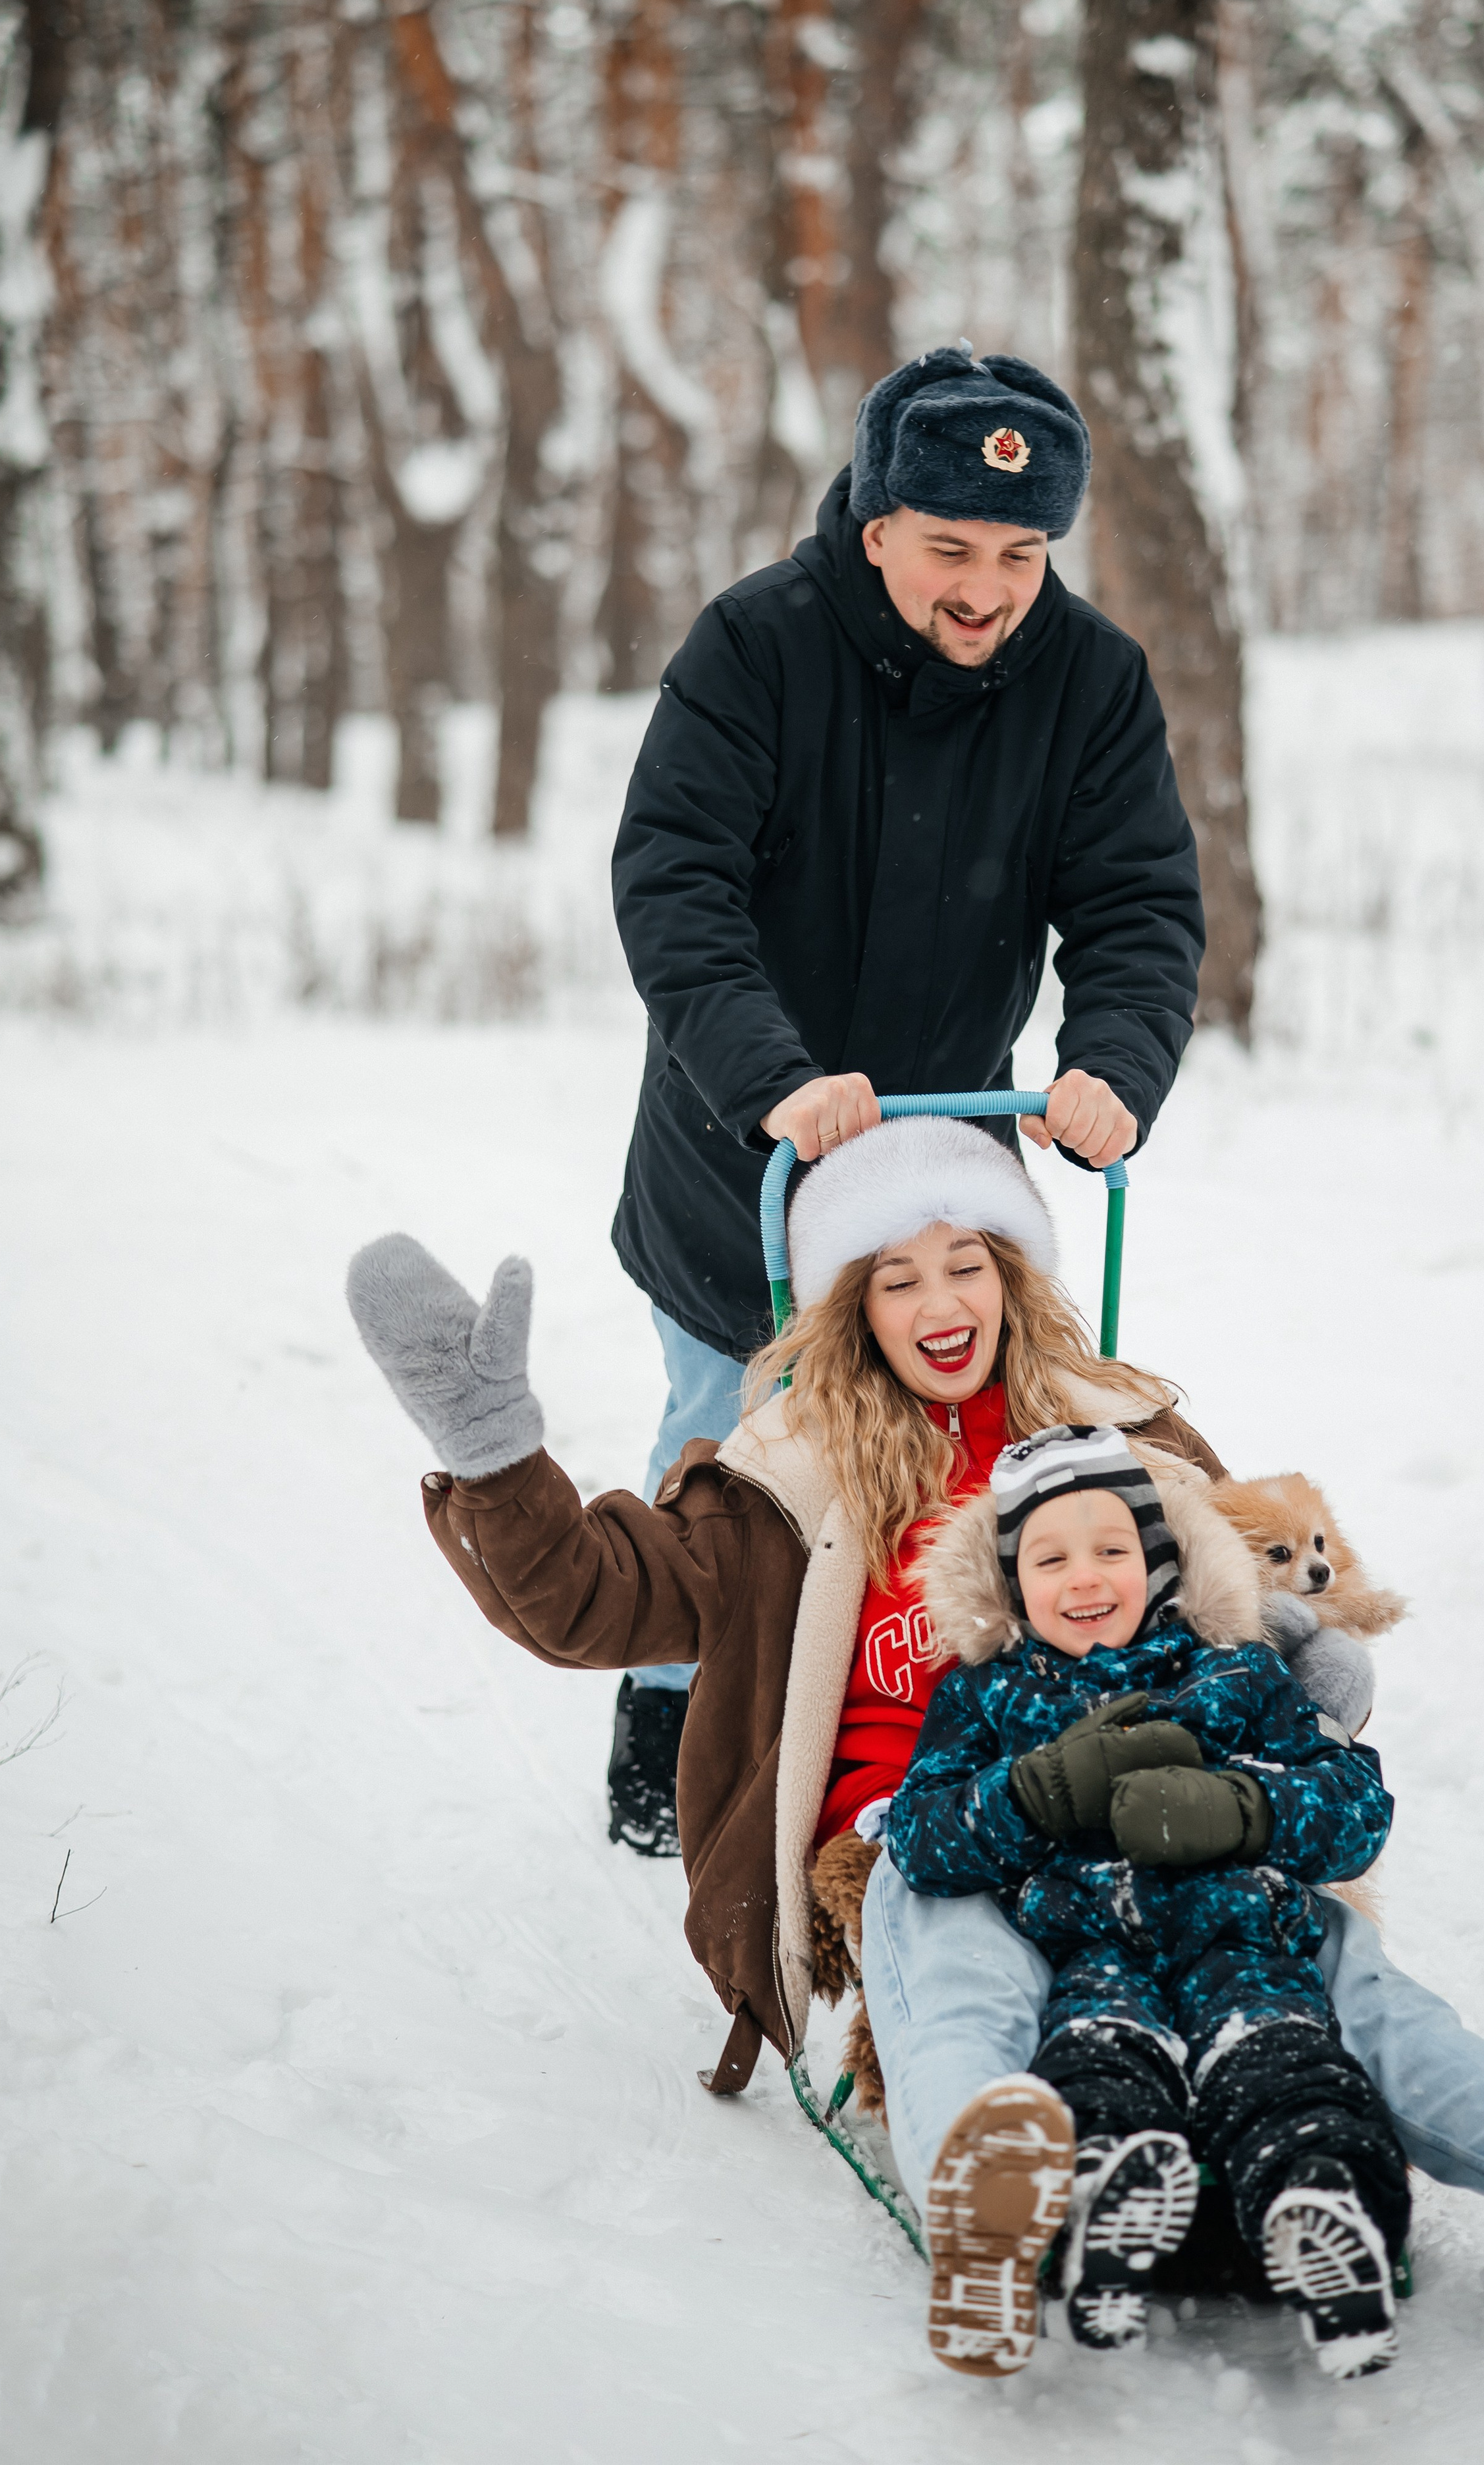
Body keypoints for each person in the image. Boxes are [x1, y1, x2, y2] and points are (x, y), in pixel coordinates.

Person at [344, 1117, 1484, 2376]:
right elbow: (597, 1599)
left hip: (1149, 1807)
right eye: (897, 1276)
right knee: (959, 1964)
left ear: (1012, 1273)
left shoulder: (1122, 1433)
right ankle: (982, 2192)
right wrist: (495, 1458)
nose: (940, 1301)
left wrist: (1298, 1658)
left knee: (1335, 1970)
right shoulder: (781, 1476)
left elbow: (1238, 1571)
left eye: (966, 1262)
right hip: (921, 1832)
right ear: (851, 1306)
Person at [604, 341, 1206, 1852]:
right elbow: (675, 883)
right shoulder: (754, 648)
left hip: (937, 1165)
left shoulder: (1088, 679)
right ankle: (672, 1717)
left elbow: (1136, 903)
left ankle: (905, 1722)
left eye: (1019, 554)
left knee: (938, 1457)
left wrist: (1112, 1064)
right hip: (738, 1155)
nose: (986, 587)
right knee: (731, 1453)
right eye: (950, 547)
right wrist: (773, 1078)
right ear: (874, 528)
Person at [889, 1423, 1408, 2378]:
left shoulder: (1232, 1669)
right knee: (1097, 2060)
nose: (1086, 1579)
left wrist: (1249, 1808)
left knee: (1285, 2062)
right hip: (1094, 1948)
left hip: (1242, 1935)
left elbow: (1353, 1804)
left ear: (1160, 1561)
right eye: (1051, 1560)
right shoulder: (991, 1693)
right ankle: (1106, 2207)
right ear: (1012, 1584)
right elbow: (920, 1837)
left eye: (1112, 1551)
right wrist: (1031, 1795)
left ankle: (1326, 2205)